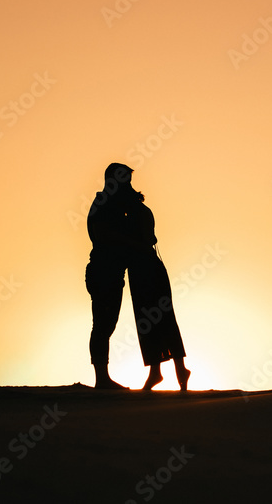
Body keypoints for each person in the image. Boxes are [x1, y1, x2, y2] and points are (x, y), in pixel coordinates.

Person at [125, 191, 190, 392]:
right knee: (152, 319)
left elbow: (145, 240)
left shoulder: (137, 214)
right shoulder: (138, 212)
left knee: (158, 318)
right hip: (143, 268)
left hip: (146, 269)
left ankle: (172, 370)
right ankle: (161, 370)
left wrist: (122, 240)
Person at [84, 163, 138, 389]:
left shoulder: (114, 204)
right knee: (102, 325)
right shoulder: (104, 204)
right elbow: (103, 235)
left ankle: (102, 378)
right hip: (103, 270)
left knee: (106, 324)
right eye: (125, 180)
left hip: (112, 271)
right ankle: (101, 379)